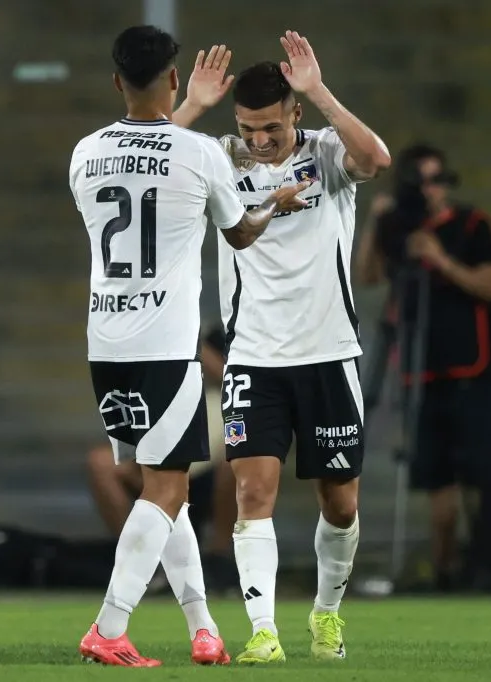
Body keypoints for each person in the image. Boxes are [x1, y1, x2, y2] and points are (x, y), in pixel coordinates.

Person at [69, 26, 309, 667]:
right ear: (174, 78)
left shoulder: (86, 152)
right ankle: (109, 627)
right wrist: (275, 204)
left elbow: (142, 159)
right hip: (165, 343)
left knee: (161, 484)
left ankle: (204, 629)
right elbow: (240, 233)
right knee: (167, 489)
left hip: (106, 341)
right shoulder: (199, 153)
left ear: (116, 81)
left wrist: (187, 110)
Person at [172, 32, 390, 663]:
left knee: (340, 503)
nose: (260, 139)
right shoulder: (220, 157)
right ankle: (263, 632)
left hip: (328, 355)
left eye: (271, 126)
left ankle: (326, 616)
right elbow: (150, 162)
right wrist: (192, 106)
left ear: (294, 112)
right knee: (253, 493)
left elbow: (376, 159)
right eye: (248, 127)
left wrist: (319, 90)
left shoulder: (326, 152)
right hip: (253, 359)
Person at [355, 144, 491, 591]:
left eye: (438, 180)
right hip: (421, 373)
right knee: (437, 479)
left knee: (481, 474)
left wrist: (440, 259)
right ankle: (444, 571)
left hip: (470, 370)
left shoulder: (471, 224)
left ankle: (490, 564)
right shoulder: (400, 231)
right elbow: (368, 276)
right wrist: (377, 223)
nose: (432, 191)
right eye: (422, 182)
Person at [85, 326, 239, 591]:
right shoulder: (164, 351)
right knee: (100, 462)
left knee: (238, 459)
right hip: (159, 462)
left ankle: (218, 560)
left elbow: (237, 381)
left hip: (209, 474)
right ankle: (142, 562)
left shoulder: (233, 340)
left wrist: (195, 347)